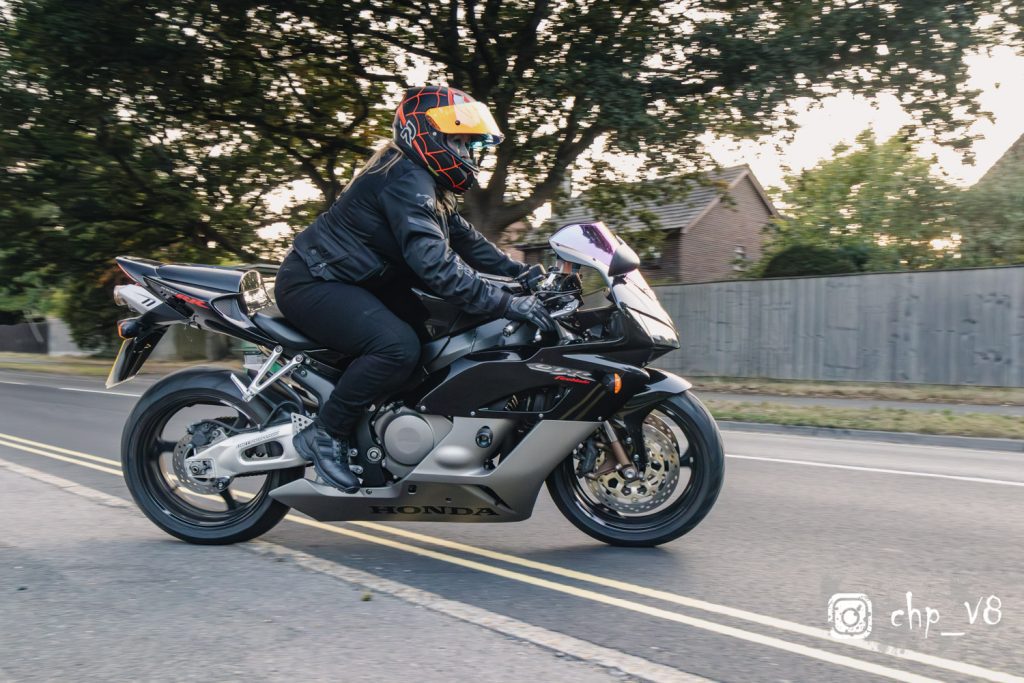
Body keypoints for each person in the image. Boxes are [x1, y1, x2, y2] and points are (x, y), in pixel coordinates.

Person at [274, 85, 556, 492]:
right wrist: (509, 304)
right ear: (427, 134)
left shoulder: (429, 184)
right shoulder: (404, 178)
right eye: (458, 141)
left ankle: (382, 433)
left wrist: (525, 274)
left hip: (362, 281)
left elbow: (468, 242)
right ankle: (325, 434)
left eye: (469, 144)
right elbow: (439, 268)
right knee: (397, 348)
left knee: (435, 342)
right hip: (317, 281)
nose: (466, 153)